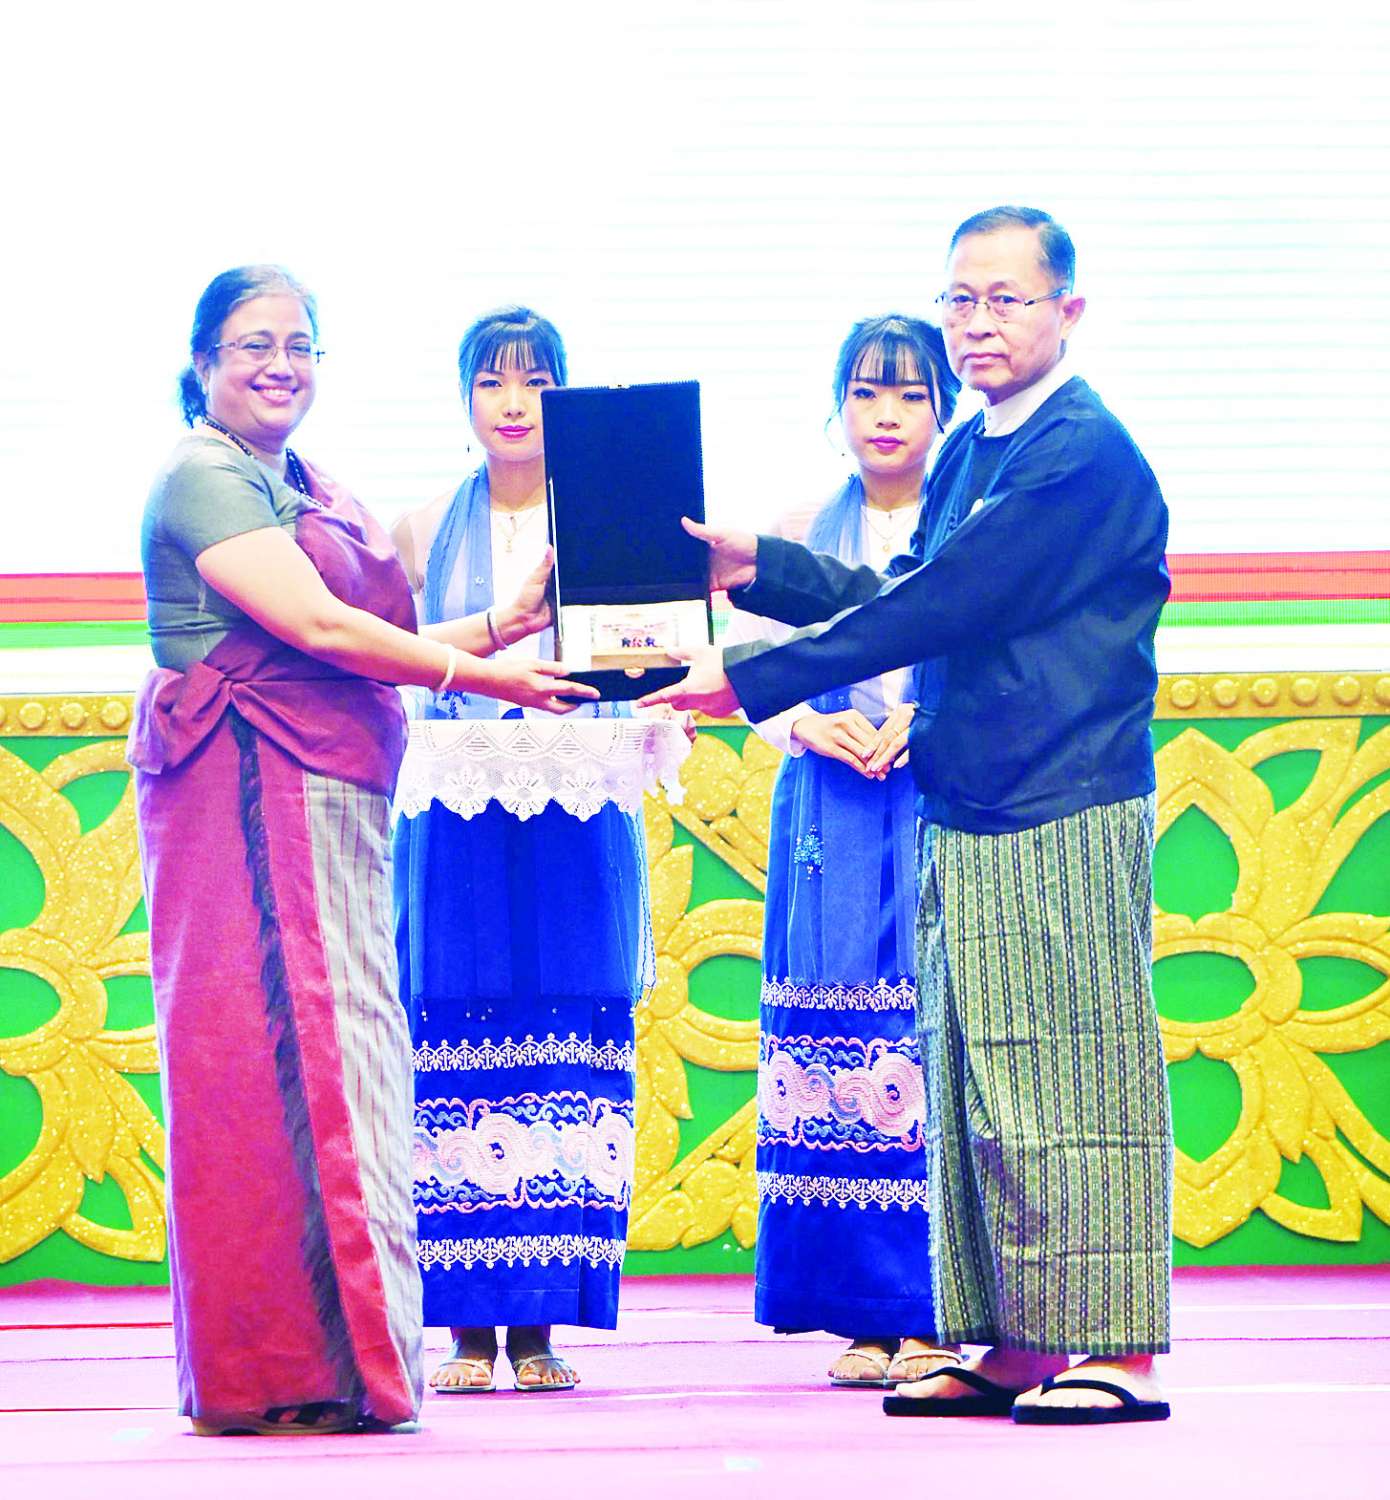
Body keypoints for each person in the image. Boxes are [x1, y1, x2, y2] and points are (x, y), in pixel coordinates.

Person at [643, 208, 1174, 1425]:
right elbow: (906, 587)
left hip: (1059, 799)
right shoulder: (980, 444)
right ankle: (1008, 1341)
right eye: (961, 300)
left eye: (1006, 300)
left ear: (1067, 312)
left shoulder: (1079, 453)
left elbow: (946, 604)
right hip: (968, 796)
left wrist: (750, 674)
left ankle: (1111, 1346)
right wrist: (760, 568)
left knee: (1075, 1070)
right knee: (978, 1078)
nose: (978, 324)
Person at [129, 267, 593, 1437]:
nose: (279, 365)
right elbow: (321, 628)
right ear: (202, 362)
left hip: (317, 789)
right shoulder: (203, 474)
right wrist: (489, 676)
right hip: (245, 796)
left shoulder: (300, 480)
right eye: (252, 345)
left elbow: (361, 643)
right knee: (267, 1067)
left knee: (353, 1059)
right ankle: (278, 1369)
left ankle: (350, 1366)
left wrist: (502, 624)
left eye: (300, 344)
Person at [393, 307, 649, 1395]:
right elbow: (392, 662)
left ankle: (541, 1324)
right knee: (455, 1025)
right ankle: (462, 1328)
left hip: (574, 804)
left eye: (535, 382)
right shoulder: (415, 533)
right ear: (464, 400)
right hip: (455, 814)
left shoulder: (611, 523)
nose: (512, 403)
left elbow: (652, 652)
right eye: (491, 381)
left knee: (565, 1030)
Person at [734, 315, 964, 1388]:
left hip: (938, 791)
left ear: (944, 412)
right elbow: (746, 666)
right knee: (833, 1032)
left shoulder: (972, 520)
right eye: (867, 393)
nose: (887, 415)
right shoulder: (795, 529)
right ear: (838, 409)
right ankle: (857, 1313)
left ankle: (933, 1309)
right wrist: (801, 724)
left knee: (927, 1029)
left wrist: (926, 718)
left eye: (912, 395)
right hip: (826, 799)